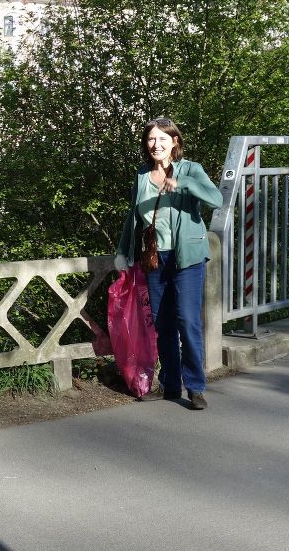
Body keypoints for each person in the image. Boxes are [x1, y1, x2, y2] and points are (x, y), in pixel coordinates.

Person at [114, 117, 223, 410]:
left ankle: (196, 387)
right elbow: (132, 218)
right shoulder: (141, 175)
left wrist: (183, 184)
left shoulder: (191, 170)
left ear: (174, 141)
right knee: (163, 326)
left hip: (187, 257)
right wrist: (123, 251)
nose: (156, 144)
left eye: (163, 139)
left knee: (187, 321)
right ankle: (170, 385)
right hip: (154, 258)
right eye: (151, 139)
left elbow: (216, 199)